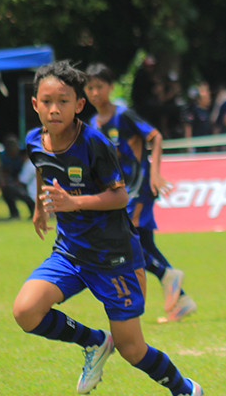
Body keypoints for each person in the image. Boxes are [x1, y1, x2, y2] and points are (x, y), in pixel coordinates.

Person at [12, 60, 202, 396]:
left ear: (78, 105)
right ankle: (93, 342)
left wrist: (72, 203)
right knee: (26, 311)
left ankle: (184, 391)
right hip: (69, 253)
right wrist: (40, 206)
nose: (55, 109)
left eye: (63, 101)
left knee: (132, 349)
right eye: (47, 101)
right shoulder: (36, 138)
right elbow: (42, 166)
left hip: (113, 258)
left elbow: (118, 198)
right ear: (35, 104)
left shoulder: (94, 142)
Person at [84, 63, 197, 322]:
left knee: (125, 240)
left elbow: (155, 137)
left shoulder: (123, 115)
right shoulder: (93, 123)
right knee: (144, 243)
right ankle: (182, 300)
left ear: (111, 87)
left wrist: (155, 173)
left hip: (139, 188)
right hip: (119, 190)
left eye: (99, 86)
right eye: (89, 87)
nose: (94, 92)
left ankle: (168, 275)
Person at [0, 134, 35, 220]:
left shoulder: (27, 162)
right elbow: (4, 170)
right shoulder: (4, 156)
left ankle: (33, 209)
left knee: (13, 189)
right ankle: (14, 212)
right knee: (6, 190)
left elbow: (22, 181)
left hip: (25, 183)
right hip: (16, 177)